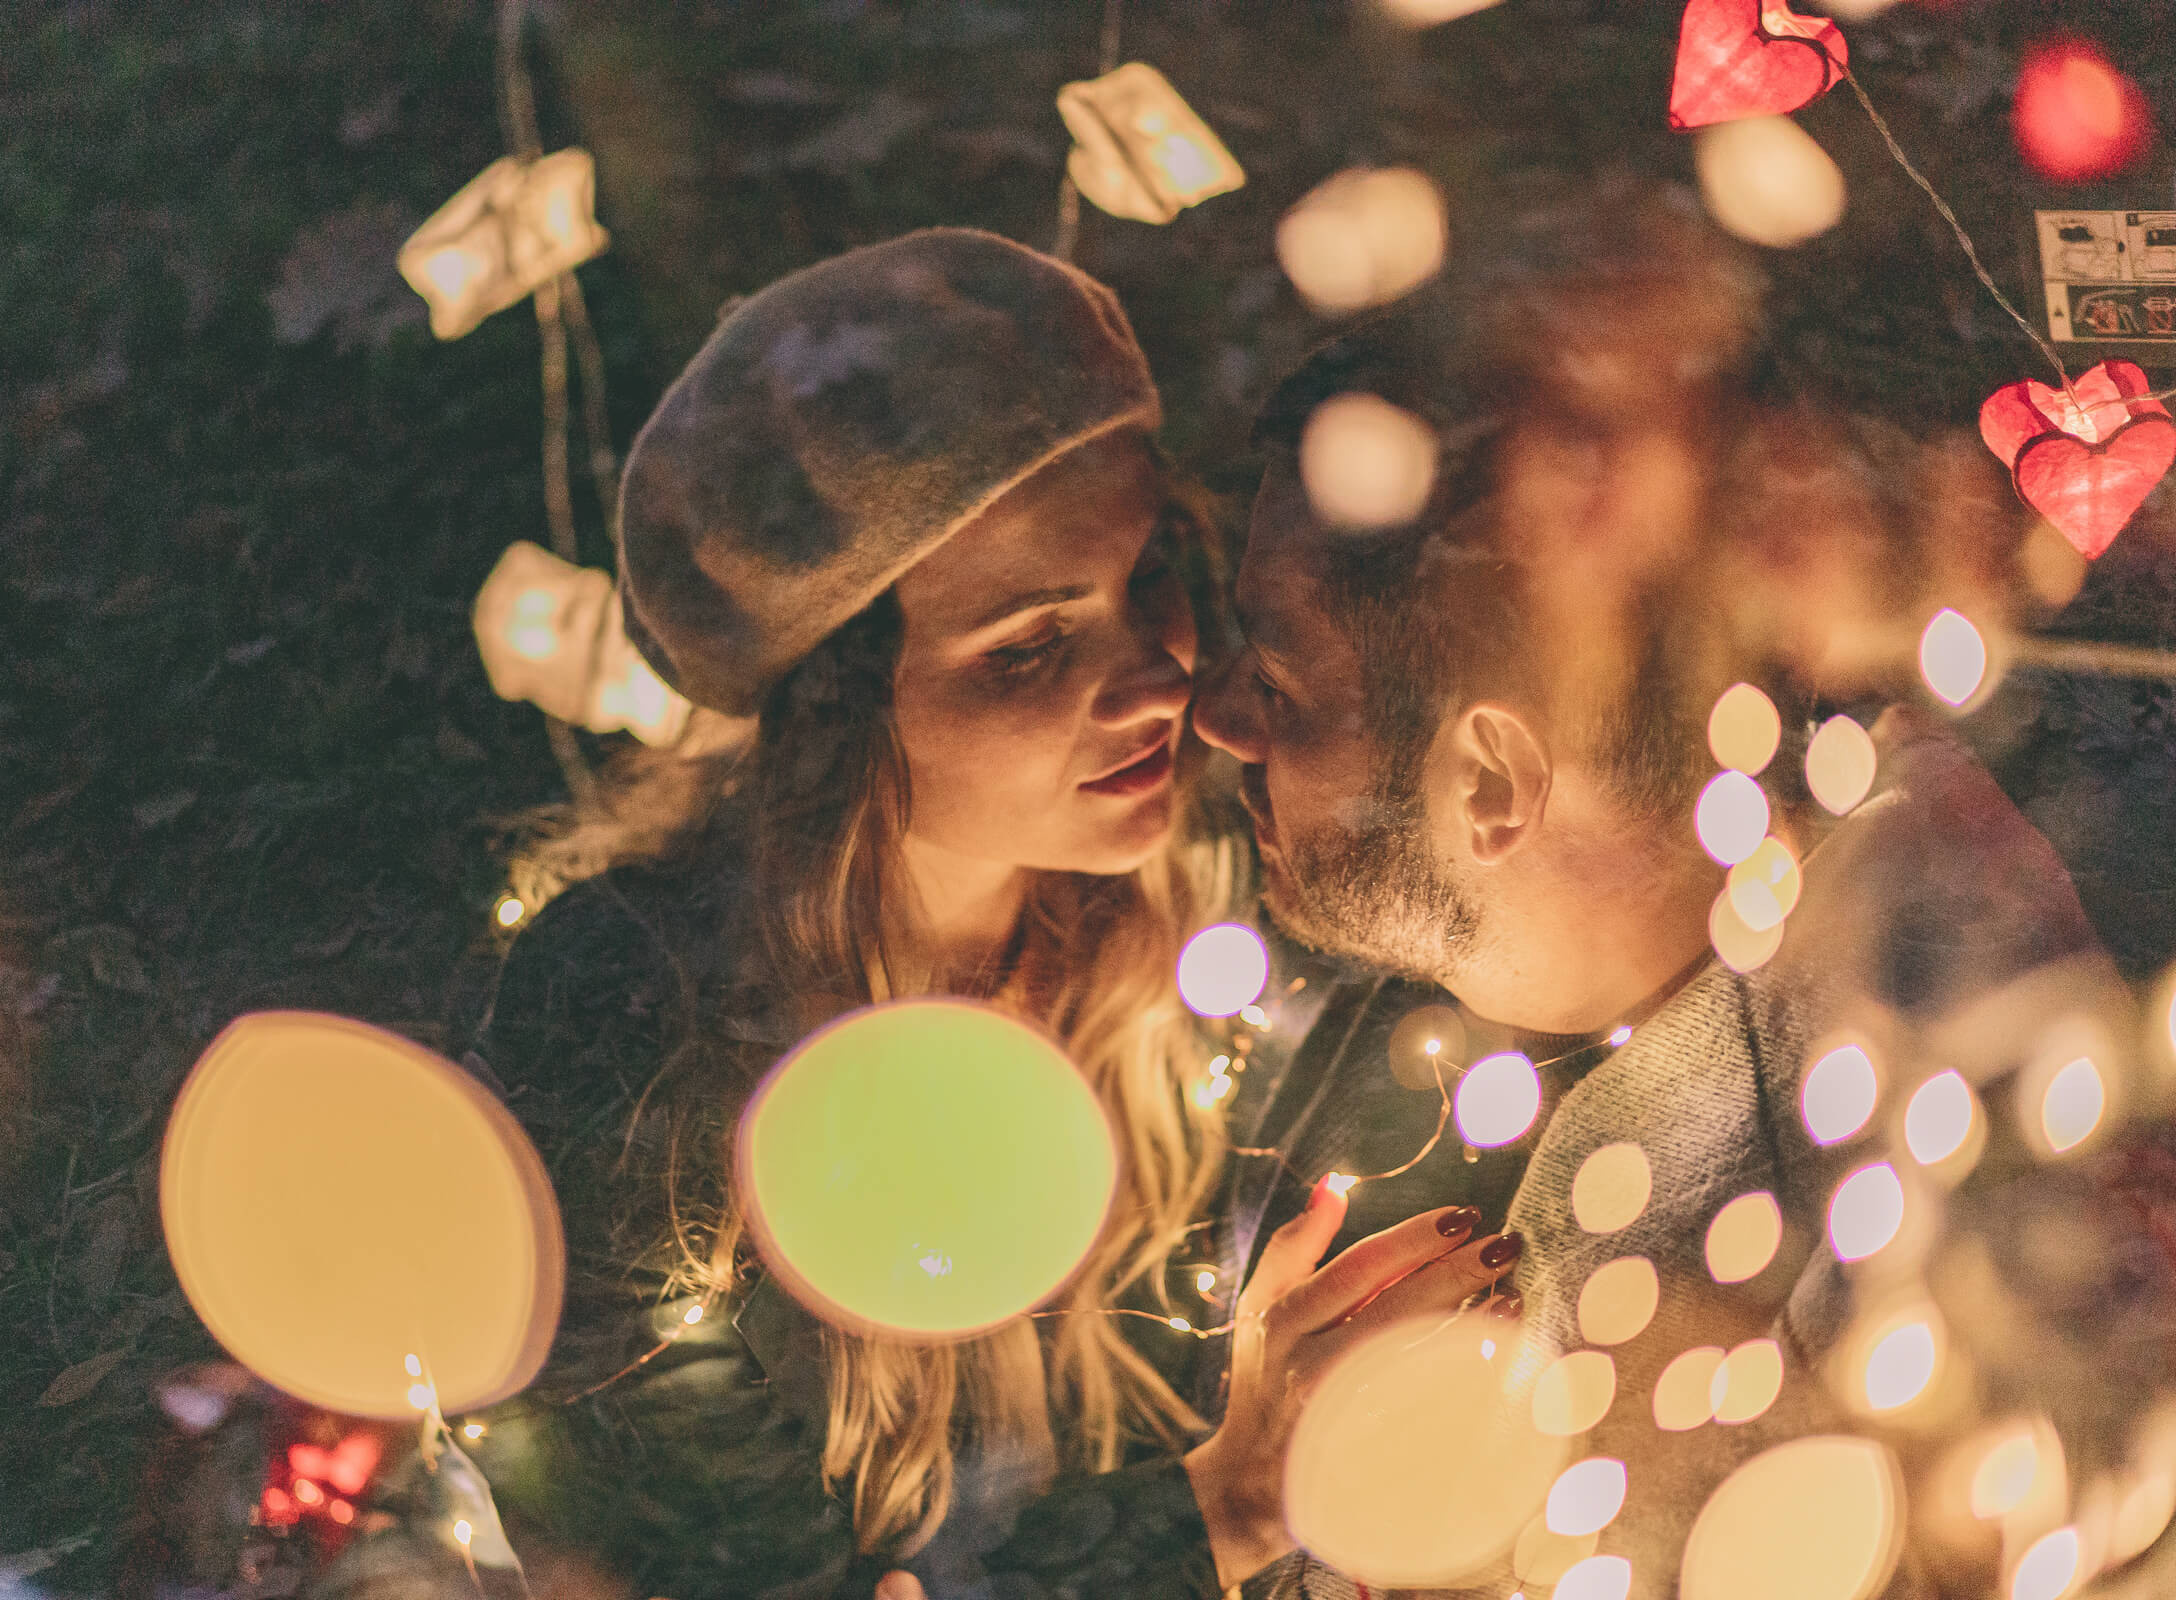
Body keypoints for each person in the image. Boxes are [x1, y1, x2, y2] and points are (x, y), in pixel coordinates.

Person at [446, 230, 1516, 1600]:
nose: (1156, 680)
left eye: (1152, 581)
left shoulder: (1204, 928)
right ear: (837, 712)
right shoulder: (634, 1016)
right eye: (1028, 646)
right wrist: (1231, 1504)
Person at [1182, 199, 2170, 1598]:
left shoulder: (1917, 1072)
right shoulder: (1688, 1008)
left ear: (1490, 783)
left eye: (1279, 680)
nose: (1218, 718)